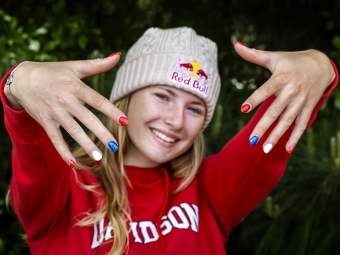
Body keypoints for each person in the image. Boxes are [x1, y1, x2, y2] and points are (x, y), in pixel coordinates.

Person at [1, 27, 338, 255]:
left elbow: (271, 135)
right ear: (126, 98)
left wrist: (318, 66)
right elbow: (32, 146)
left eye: (195, 108)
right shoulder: (66, 189)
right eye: (163, 96)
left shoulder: (209, 189)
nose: (176, 121)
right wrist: (21, 81)